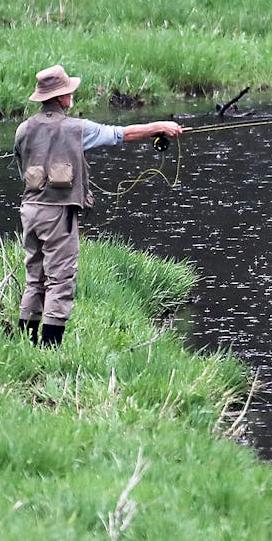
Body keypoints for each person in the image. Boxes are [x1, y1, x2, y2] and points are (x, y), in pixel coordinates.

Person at [13, 64, 184, 348]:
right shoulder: (77, 129)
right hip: (59, 214)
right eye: (70, 92)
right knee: (60, 280)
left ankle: (25, 343)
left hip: (29, 211)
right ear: (63, 98)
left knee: (36, 279)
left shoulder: (23, 128)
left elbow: (22, 169)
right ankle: (49, 349)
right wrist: (159, 127)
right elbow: (121, 134)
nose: (72, 96)